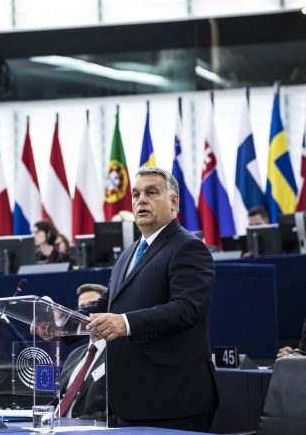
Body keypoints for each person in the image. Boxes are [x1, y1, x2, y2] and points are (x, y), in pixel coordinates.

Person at [83, 167, 218, 431]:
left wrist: (125, 323)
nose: (141, 200)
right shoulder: (128, 253)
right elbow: (106, 305)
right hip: (130, 399)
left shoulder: (188, 247)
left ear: (174, 202)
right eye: (136, 194)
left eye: (152, 192)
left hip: (173, 400)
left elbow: (186, 309)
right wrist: (59, 321)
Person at [57, 284, 108, 422]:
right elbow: (58, 400)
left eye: (92, 305)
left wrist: (79, 423)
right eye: (82, 307)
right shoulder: (74, 355)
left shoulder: (118, 354)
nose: (87, 312)